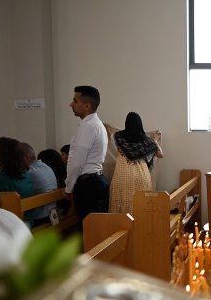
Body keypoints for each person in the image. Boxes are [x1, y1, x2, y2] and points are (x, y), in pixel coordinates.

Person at [65, 85, 109, 222]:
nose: (71, 104)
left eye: (75, 101)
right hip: (96, 182)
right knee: (97, 230)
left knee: (89, 232)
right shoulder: (97, 124)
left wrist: (68, 187)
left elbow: (77, 162)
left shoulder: (88, 126)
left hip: (88, 186)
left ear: (87, 106)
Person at [109, 112, 162, 214]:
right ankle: (141, 228)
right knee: (140, 205)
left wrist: (108, 129)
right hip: (141, 177)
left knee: (122, 203)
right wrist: (155, 140)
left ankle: (122, 228)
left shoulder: (117, 137)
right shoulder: (146, 141)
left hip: (122, 176)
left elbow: (110, 134)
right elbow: (160, 154)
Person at [19, 143, 58, 226]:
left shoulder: (31, 172)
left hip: (39, 219)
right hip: (51, 214)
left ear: (26, 157)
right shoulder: (46, 167)